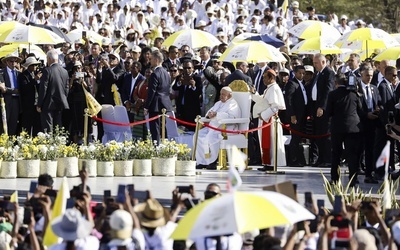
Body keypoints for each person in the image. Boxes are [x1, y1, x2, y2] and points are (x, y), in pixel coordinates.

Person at [326, 73, 362, 186]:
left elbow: (328, 112)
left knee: (336, 154)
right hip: (353, 128)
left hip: (337, 127)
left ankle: (335, 179)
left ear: (336, 83)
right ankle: (353, 179)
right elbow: (360, 110)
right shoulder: (354, 94)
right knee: (352, 154)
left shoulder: (332, 94)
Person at [195, 87, 241, 169]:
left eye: (223, 94)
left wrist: (217, 114)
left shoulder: (233, 104)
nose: (221, 96)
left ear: (229, 95)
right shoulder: (218, 103)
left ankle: (212, 161)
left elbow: (232, 117)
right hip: (213, 127)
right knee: (197, 135)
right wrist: (209, 115)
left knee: (211, 137)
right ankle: (202, 161)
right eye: (220, 94)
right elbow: (210, 112)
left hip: (226, 128)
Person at [252, 69, 286, 169]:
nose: (263, 79)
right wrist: (254, 93)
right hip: (266, 119)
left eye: (265, 77)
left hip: (270, 120)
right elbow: (262, 101)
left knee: (271, 143)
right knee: (266, 143)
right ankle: (267, 163)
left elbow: (275, 106)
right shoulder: (269, 88)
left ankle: (272, 164)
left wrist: (263, 115)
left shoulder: (274, 88)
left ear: (271, 78)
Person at [308, 53, 335, 168]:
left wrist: (322, 107)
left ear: (323, 62)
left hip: (323, 108)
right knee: (318, 134)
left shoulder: (329, 73)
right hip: (315, 106)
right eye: (313, 63)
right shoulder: (317, 74)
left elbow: (328, 91)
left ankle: (327, 159)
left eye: (316, 63)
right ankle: (320, 158)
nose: (314, 65)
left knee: (325, 135)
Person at [358, 66, 381, 184]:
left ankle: (369, 174)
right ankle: (355, 172)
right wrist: (366, 115)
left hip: (372, 124)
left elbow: (380, 102)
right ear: (361, 75)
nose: (369, 78)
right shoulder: (356, 89)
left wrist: (378, 109)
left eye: (371, 75)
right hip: (360, 123)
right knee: (358, 150)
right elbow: (355, 107)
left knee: (370, 149)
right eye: (367, 75)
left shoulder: (374, 88)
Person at [37, 49, 69, 132]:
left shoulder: (47, 71)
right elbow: (67, 88)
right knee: (58, 127)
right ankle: (58, 144)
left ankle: (49, 144)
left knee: (48, 128)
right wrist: (64, 98)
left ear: (49, 59)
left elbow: (43, 88)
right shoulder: (65, 71)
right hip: (60, 102)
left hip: (48, 103)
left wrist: (39, 104)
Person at [144, 51, 173, 144]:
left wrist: (146, 106)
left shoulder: (155, 73)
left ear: (156, 60)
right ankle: (165, 146)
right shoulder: (166, 73)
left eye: (151, 59)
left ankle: (156, 148)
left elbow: (151, 92)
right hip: (165, 103)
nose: (150, 61)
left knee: (155, 129)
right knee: (163, 128)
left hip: (156, 105)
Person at [284, 65, 308, 166]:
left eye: (303, 73)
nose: (302, 75)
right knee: (295, 138)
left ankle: (299, 159)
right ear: (295, 73)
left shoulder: (302, 83)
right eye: (300, 73)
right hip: (296, 115)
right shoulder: (291, 84)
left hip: (303, 115)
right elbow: (288, 100)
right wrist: (292, 115)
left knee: (299, 138)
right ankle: (293, 160)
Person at [172, 60, 202, 131]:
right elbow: (174, 88)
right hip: (181, 108)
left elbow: (199, 93)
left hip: (192, 109)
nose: (187, 70)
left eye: (189, 68)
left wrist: (193, 86)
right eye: (185, 68)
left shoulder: (197, 78)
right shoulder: (179, 77)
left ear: (192, 68)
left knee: (191, 130)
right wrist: (179, 83)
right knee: (181, 130)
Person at [18, 56, 42, 136]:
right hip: (27, 104)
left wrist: (38, 80)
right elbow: (24, 88)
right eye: (33, 65)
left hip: (36, 103)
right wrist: (34, 80)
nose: (35, 67)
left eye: (36, 65)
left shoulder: (36, 74)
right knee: (27, 125)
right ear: (29, 66)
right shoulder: (23, 75)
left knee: (37, 125)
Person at [68, 61, 90, 144]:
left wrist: (83, 81)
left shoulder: (86, 77)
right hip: (74, 102)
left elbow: (89, 90)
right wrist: (73, 79)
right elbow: (68, 89)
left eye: (79, 68)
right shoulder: (71, 78)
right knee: (75, 123)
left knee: (84, 123)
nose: (78, 69)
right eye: (76, 68)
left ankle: (85, 141)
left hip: (83, 103)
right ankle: (75, 142)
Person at [132, 68, 152, 139]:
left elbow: (152, 96)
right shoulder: (141, 82)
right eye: (146, 72)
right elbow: (135, 93)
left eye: (149, 72)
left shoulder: (153, 84)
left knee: (147, 131)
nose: (147, 74)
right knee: (137, 132)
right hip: (139, 109)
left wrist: (144, 101)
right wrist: (138, 100)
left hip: (148, 110)